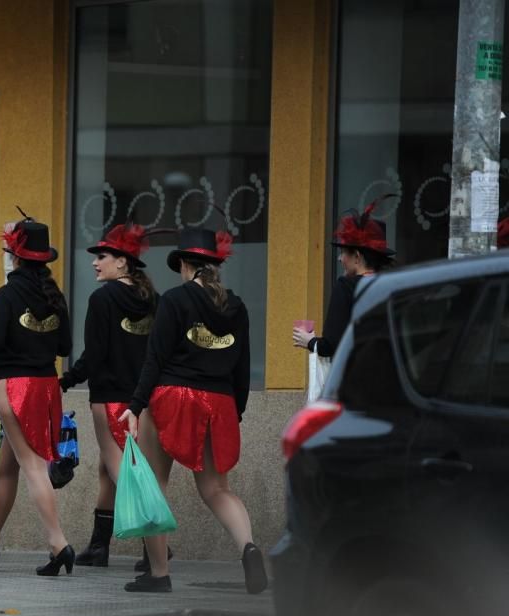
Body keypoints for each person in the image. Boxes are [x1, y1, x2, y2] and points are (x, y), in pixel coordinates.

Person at [120, 227, 266, 594]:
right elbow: (241, 368)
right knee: (217, 489)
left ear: (185, 264)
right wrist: (237, 412)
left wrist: (135, 405)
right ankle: (249, 549)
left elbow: (155, 359)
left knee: (155, 485)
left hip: (174, 397)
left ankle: (159, 574)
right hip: (220, 402)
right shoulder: (236, 306)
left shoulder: (174, 300)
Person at [0, 216, 74, 576]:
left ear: (15, 256)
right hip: (45, 387)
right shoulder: (55, 296)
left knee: (30, 465)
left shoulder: (8, 293)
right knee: (6, 466)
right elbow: (65, 345)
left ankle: (58, 543)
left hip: (14, 386)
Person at [59, 222, 161, 569]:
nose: (94, 262)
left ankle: (155, 544)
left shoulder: (102, 298)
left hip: (108, 397)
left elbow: (95, 353)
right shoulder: (151, 298)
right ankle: (99, 547)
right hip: (142, 399)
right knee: (110, 469)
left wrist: (69, 378)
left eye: (102, 256)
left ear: (123, 262)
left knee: (124, 471)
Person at [292, 202, 396, 356]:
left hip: (358, 376)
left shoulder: (346, 286)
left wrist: (309, 341)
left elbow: (331, 345)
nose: (340, 259)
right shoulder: (393, 287)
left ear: (357, 257)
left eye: (343, 252)